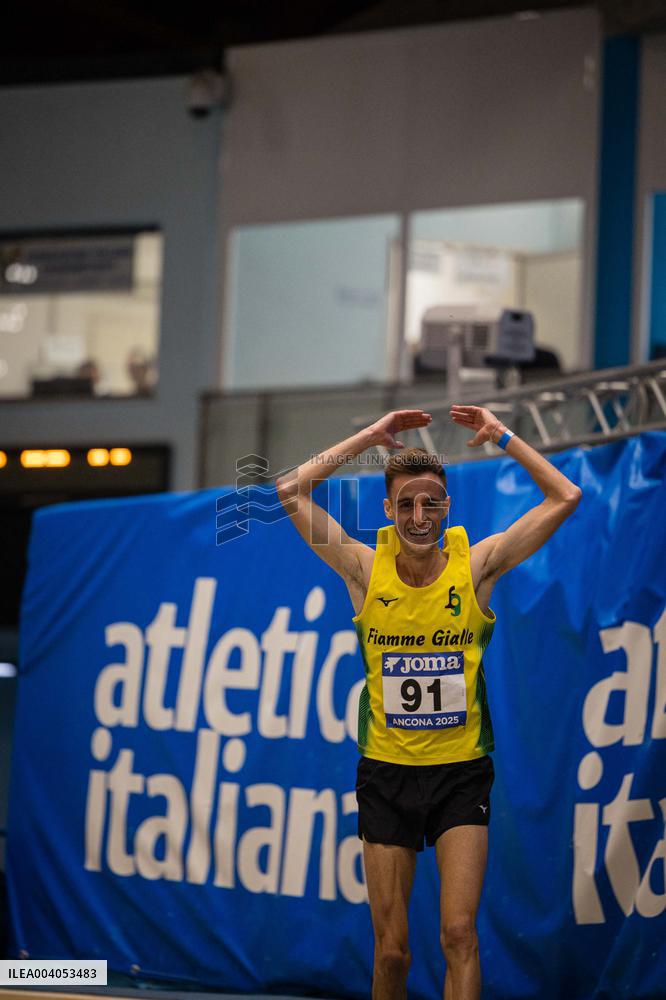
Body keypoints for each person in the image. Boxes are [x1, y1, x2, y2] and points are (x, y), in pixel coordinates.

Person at [275, 406, 581, 1000]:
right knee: (392, 953)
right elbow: (290, 489)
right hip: (387, 774)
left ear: (447, 507)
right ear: (389, 511)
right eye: (407, 505)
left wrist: (505, 437)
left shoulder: (477, 567)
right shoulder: (363, 569)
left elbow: (564, 496)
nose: (420, 517)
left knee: (459, 934)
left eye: (432, 504)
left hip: (461, 776)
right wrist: (369, 436)